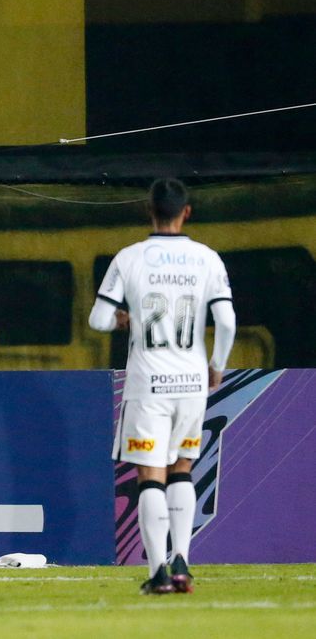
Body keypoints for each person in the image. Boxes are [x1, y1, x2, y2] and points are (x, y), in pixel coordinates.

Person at [89, 178, 235, 595]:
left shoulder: (130, 258)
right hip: (192, 380)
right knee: (183, 469)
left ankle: (157, 574)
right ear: (186, 212)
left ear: (147, 210)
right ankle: (183, 561)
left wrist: (122, 320)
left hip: (148, 380)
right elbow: (225, 321)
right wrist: (217, 366)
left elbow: (98, 320)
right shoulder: (206, 259)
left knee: (150, 475)